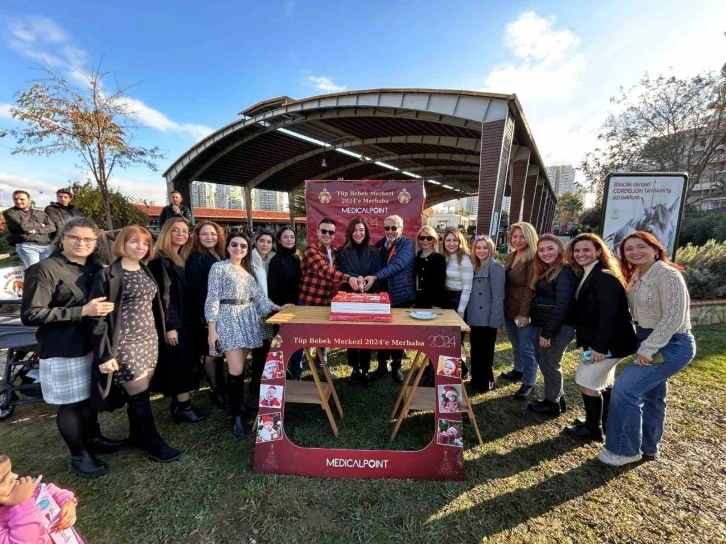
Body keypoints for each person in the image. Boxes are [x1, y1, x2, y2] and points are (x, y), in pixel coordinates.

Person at [21, 217, 124, 478]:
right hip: (63, 347)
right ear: (63, 238)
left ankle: (94, 439)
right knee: (71, 405)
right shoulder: (45, 268)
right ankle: (78, 455)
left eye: (88, 239)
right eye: (75, 238)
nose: (82, 243)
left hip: (92, 345)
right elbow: (32, 314)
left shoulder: (93, 268)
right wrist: (82, 311)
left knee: (89, 399)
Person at [597, 232, 696, 466]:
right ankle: (648, 447)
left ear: (655, 248)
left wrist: (649, 347)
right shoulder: (638, 274)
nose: (634, 252)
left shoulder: (667, 274)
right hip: (647, 339)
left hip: (672, 343)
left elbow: (674, 316)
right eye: (628, 249)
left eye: (640, 246)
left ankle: (624, 451)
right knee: (653, 397)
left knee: (625, 390)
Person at [89, 226, 181, 463]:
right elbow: (97, 318)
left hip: (149, 339)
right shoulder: (107, 275)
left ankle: (136, 436)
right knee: (139, 395)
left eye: (144, 244)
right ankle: (153, 443)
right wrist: (104, 354)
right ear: (122, 244)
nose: (140, 247)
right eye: (134, 242)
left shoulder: (145, 269)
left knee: (139, 394)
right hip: (125, 344)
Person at [205, 233, 288, 438]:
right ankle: (235, 418)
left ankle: (240, 405)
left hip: (248, 320)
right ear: (228, 246)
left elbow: (260, 298)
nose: (239, 248)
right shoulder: (219, 268)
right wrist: (212, 328)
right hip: (229, 320)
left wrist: (279, 307)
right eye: (234, 244)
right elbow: (213, 297)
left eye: (243, 245)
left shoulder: (246, 270)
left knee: (239, 369)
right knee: (236, 368)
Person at [565, 233, 636, 441]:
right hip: (599, 341)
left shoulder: (604, 276)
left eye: (586, 250)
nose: (580, 254)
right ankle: (602, 421)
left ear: (598, 251)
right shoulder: (588, 273)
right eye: (577, 250)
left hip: (608, 343)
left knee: (586, 380)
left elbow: (610, 315)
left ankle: (592, 428)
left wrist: (598, 347)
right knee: (603, 381)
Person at [148, 219, 206, 424]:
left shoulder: (178, 258)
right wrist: (171, 326)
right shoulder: (160, 260)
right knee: (180, 363)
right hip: (174, 322)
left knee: (183, 360)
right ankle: (184, 407)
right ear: (166, 233)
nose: (181, 234)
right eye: (175, 230)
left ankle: (178, 402)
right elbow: (164, 297)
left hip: (184, 319)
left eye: (185, 231)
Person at [299, 218, 362, 375]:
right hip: (309, 303)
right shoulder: (310, 250)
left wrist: (359, 277)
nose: (327, 234)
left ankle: (321, 367)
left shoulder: (334, 252)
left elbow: (342, 270)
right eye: (324, 231)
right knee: (300, 340)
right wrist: (349, 278)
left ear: (335, 234)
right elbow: (325, 271)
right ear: (318, 232)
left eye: (331, 232)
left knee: (322, 338)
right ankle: (295, 373)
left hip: (326, 302)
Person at [527, 234, 578, 416]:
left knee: (550, 364)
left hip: (556, 328)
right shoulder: (547, 270)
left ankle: (552, 404)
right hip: (543, 324)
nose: (545, 253)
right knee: (545, 361)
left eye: (550, 248)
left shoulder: (564, 272)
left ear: (560, 249)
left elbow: (562, 306)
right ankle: (558, 397)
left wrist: (548, 333)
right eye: (541, 250)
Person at [364, 215, 415, 383]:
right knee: (382, 333)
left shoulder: (407, 244)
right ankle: (381, 365)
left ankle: (397, 366)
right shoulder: (378, 246)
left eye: (394, 228)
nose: (390, 231)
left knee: (398, 334)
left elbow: (398, 265)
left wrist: (375, 277)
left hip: (401, 297)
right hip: (382, 297)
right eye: (387, 228)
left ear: (401, 228)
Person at [186, 221, 227, 408]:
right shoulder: (196, 258)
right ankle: (215, 390)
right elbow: (194, 290)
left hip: (223, 311)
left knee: (219, 351)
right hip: (206, 313)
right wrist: (204, 317)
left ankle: (222, 385)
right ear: (197, 236)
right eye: (204, 234)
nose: (209, 237)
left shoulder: (220, 255)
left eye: (213, 234)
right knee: (210, 353)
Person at [337, 218, 381, 386]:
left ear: (366, 232)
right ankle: (354, 368)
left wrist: (368, 281)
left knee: (367, 334)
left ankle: (366, 368)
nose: (358, 233)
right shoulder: (342, 251)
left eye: (361, 230)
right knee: (352, 333)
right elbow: (344, 271)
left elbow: (377, 272)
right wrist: (356, 279)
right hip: (351, 296)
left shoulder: (374, 251)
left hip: (370, 296)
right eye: (355, 230)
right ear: (350, 232)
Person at [0, 454, 82, 542]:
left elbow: (47, 490)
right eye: (3, 479)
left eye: (10, 471)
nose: (15, 476)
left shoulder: (24, 489)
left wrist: (68, 502)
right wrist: (22, 504)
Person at [500, 222, 539, 399]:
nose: (517, 240)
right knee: (516, 344)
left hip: (523, 310)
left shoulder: (533, 258)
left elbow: (530, 288)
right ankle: (519, 369)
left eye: (522, 236)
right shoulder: (510, 256)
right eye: (514, 236)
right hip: (509, 307)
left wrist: (524, 314)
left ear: (530, 237)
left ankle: (529, 381)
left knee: (527, 348)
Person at [465, 235, 505, 393]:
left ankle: (486, 382)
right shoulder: (475, 266)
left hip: (488, 318)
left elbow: (498, 296)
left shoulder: (495, 268)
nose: (481, 251)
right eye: (478, 247)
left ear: (491, 249)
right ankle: (476, 379)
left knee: (486, 352)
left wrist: (495, 320)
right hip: (475, 317)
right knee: (475, 349)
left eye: (485, 247)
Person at [267, 226, 303, 378]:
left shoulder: (295, 258)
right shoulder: (276, 260)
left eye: (292, 237)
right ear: (279, 240)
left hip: (296, 306)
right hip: (282, 308)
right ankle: (280, 375)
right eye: (286, 237)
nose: (289, 240)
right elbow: (272, 287)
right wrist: (278, 310)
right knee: (282, 344)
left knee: (298, 342)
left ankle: (296, 373)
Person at [442, 227, 473, 378]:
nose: (451, 243)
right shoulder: (446, 258)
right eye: (448, 240)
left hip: (458, 300)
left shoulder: (464, 260)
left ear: (460, 242)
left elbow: (467, 288)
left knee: (456, 340)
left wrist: (461, 311)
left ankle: (459, 372)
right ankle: (449, 371)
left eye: (455, 240)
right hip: (446, 300)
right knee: (447, 339)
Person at [249, 229, 276, 397]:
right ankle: (255, 386)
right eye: (262, 241)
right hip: (253, 313)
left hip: (267, 311)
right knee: (259, 350)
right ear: (256, 242)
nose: (265, 244)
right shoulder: (249, 261)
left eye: (269, 242)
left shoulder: (270, 260)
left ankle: (262, 382)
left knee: (266, 348)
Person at [3, 190, 56, 268]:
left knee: (47, 271)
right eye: (15, 199)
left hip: (45, 246)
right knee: (35, 271)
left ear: (29, 200)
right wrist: (41, 225)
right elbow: (22, 226)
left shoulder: (40, 213)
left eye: (22, 199)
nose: (18, 201)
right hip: (27, 246)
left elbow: (52, 227)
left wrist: (36, 230)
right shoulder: (10, 212)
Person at [414, 226, 446, 309]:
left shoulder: (439, 258)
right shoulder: (416, 257)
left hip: (432, 303)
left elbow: (440, 284)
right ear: (418, 239)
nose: (425, 241)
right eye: (422, 238)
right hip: (417, 301)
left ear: (434, 240)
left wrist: (436, 304)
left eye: (429, 238)